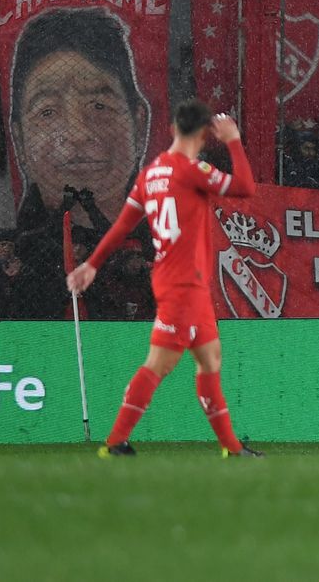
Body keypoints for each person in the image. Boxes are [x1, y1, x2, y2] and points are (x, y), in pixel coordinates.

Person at [67, 101, 263, 458]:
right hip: (183, 283)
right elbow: (247, 187)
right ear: (205, 135)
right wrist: (234, 141)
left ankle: (232, 448)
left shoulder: (150, 173)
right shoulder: (193, 170)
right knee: (160, 363)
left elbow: (124, 225)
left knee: (210, 359)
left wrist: (92, 263)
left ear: (173, 129)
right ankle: (114, 442)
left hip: (182, 281)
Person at [6, 7, 153, 317]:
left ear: (139, 124)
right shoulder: (21, 250)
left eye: (100, 106)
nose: (78, 133)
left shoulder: (166, 239)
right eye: (47, 112)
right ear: (18, 139)